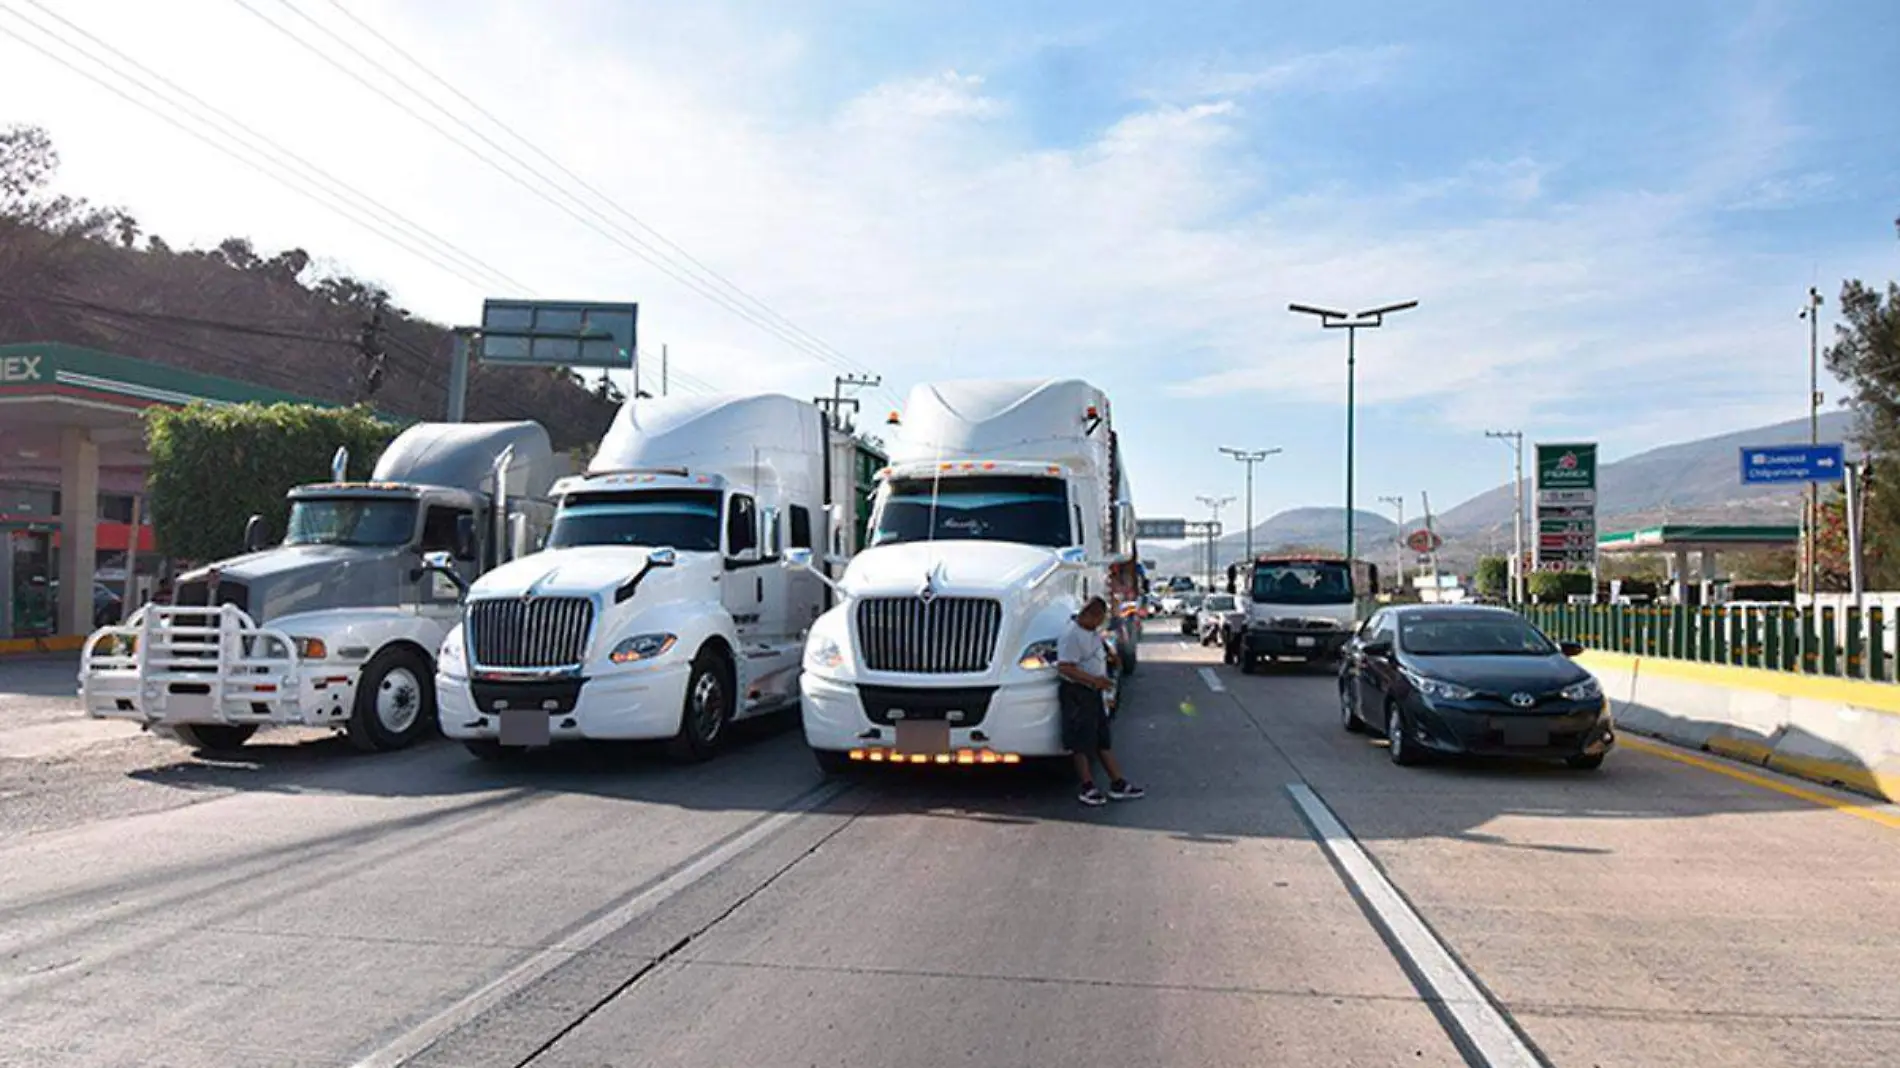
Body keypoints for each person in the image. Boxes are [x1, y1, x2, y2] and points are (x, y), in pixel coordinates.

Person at [1056, 596, 1144, 807]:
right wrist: (1093, 680)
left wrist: (1110, 657)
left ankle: (1118, 783)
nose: (1100, 624)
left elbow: (1097, 649)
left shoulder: (1091, 632)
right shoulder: (1072, 635)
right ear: (1090, 615)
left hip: (1094, 692)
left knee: (1102, 739)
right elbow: (1065, 667)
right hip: (1078, 692)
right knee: (1081, 741)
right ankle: (1087, 786)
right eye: (1099, 619)